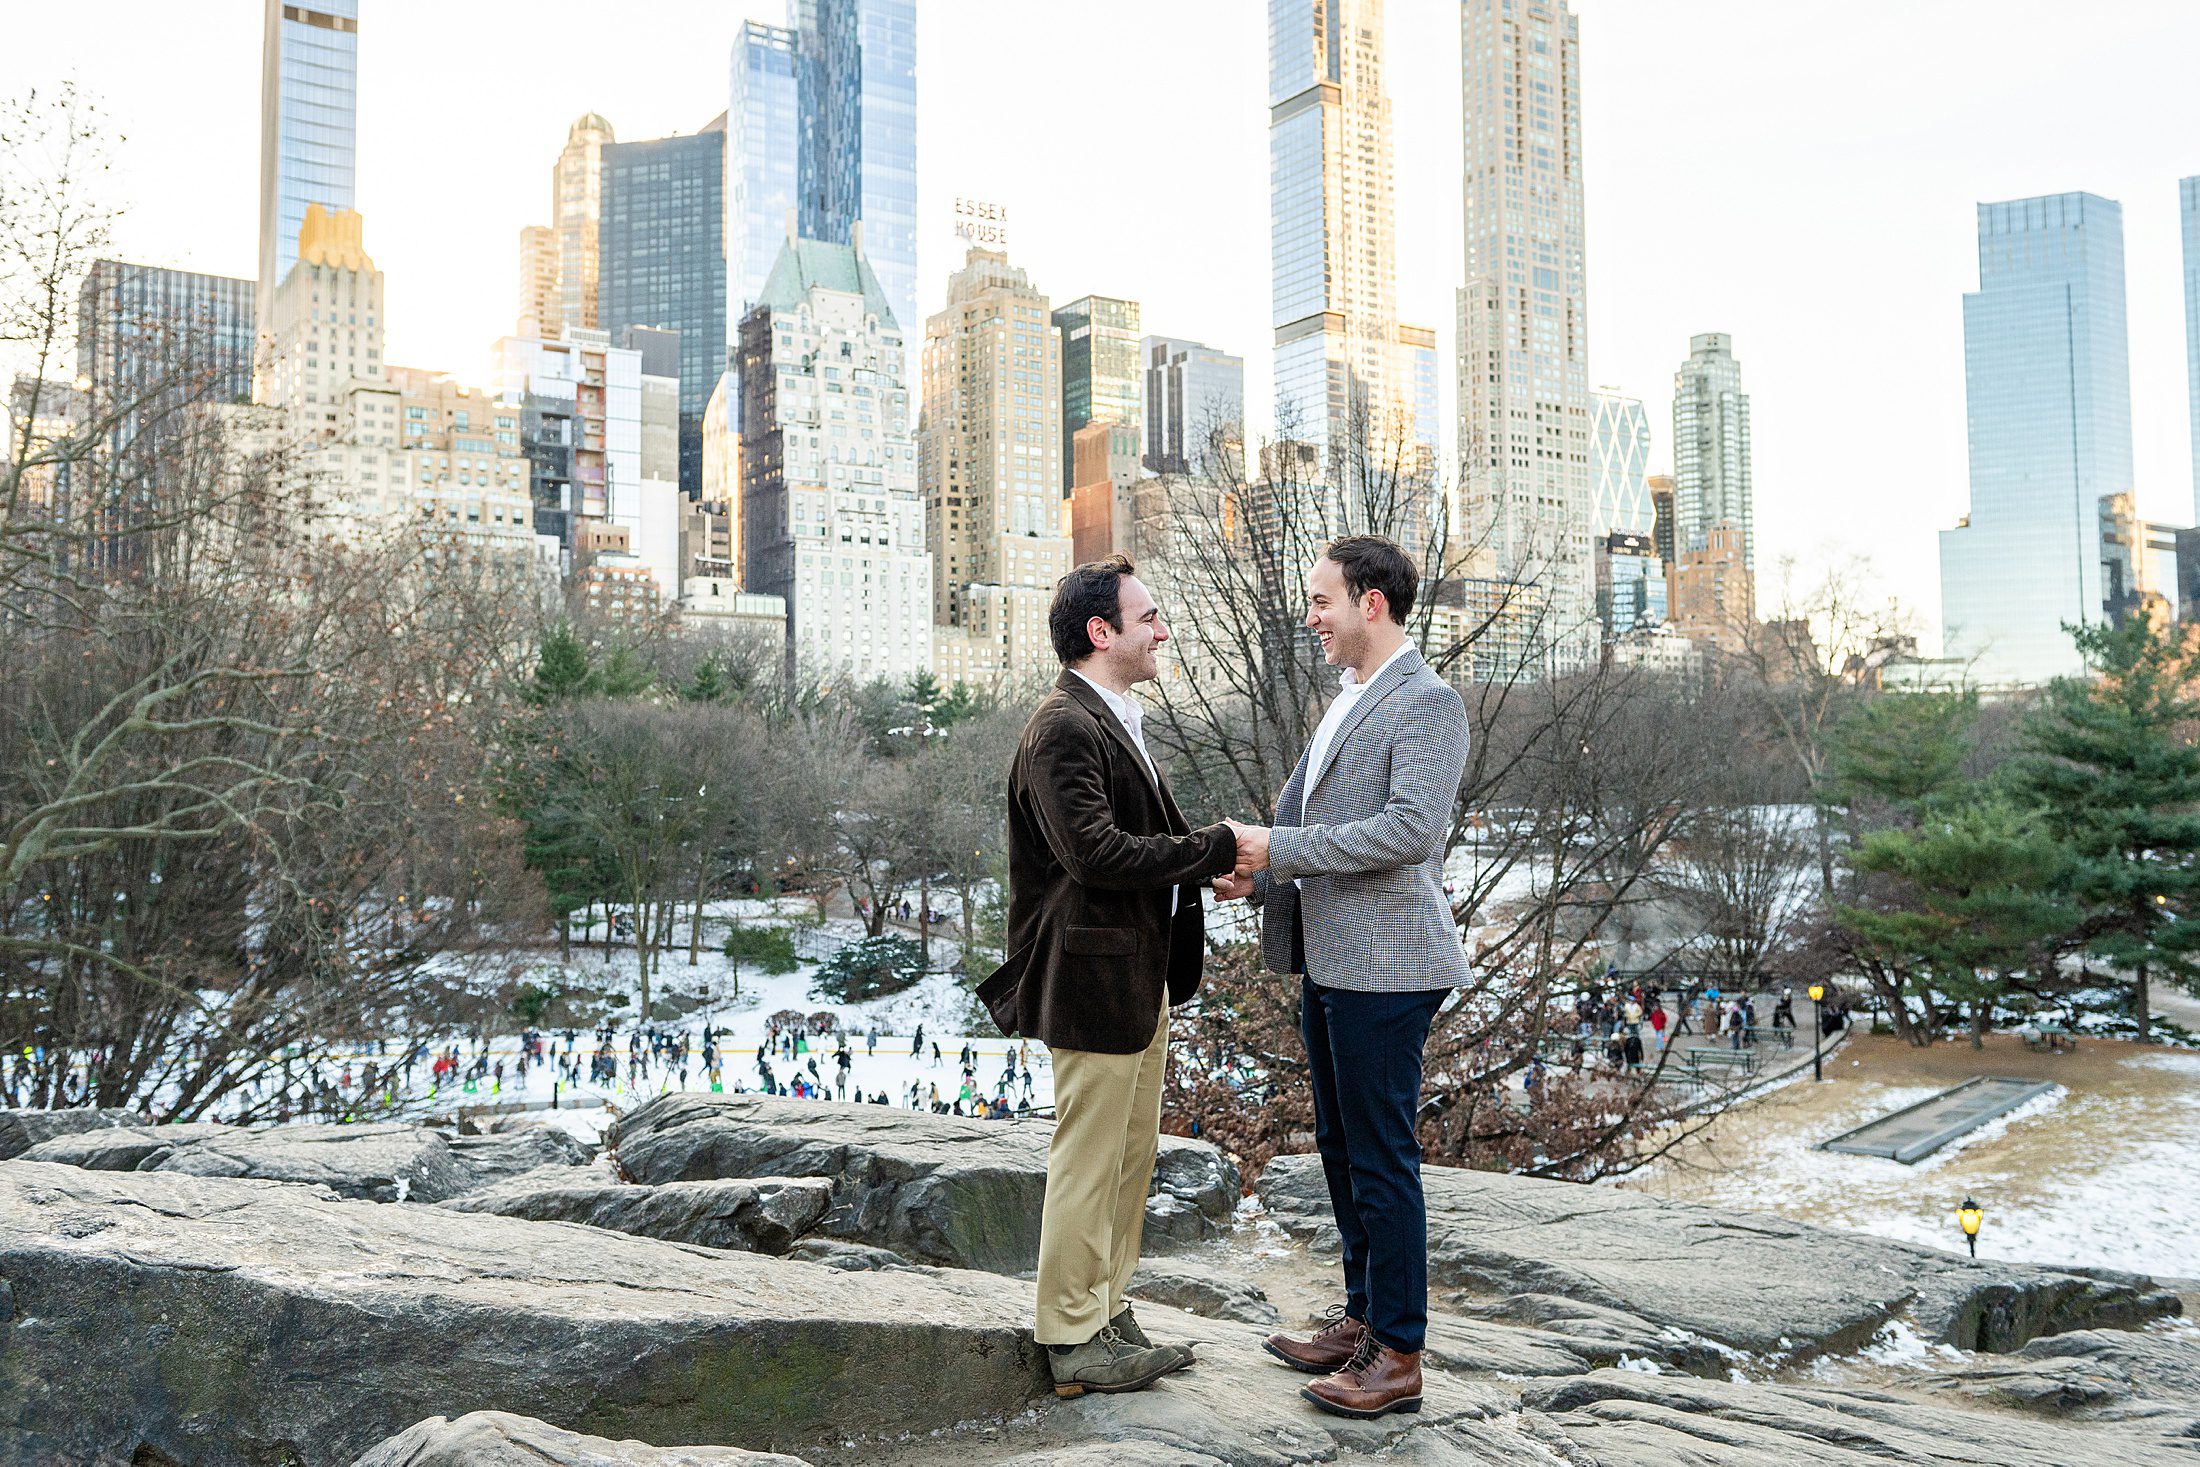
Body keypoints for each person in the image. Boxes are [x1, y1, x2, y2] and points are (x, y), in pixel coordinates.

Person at [1213, 535, 1469, 1421]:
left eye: (1323, 599)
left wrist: (1275, 849)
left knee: (1383, 1156)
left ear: (1372, 602)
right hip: (1333, 956)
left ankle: (1398, 1353)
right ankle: (1363, 1317)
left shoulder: (1428, 702)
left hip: (1390, 965)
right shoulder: (1348, 697)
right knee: (1341, 1145)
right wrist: (1258, 871)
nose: (1311, 615)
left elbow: (1407, 832)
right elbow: (1303, 816)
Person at [977, 554, 1239, 1400]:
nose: (1163, 629)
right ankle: (1069, 1332)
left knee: (1129, 1159)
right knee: (1090, 1158)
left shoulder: (1113, 718)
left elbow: (1130, 848)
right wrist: (1214, 848)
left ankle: (1104, 1306)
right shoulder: (1063, 726)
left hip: (1139, 977)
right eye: (1149, 616)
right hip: (1092, 981)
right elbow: (1093, 852)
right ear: (1102, 632)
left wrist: (1201, 868)